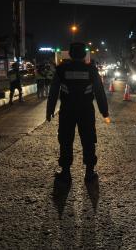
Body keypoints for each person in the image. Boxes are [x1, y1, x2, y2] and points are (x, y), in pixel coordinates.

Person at [46, 42, 109, 182]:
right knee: (88, 139)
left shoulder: (61, 69)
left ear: (70, 54)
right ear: (84, 54)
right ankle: (89, 172)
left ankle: (66, 172)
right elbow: (99, 92)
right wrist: (104, 111)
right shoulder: (91, 70)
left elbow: (54, 91)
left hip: (67, 111)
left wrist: (50, 110)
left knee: (65, 139)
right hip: (86, 111)